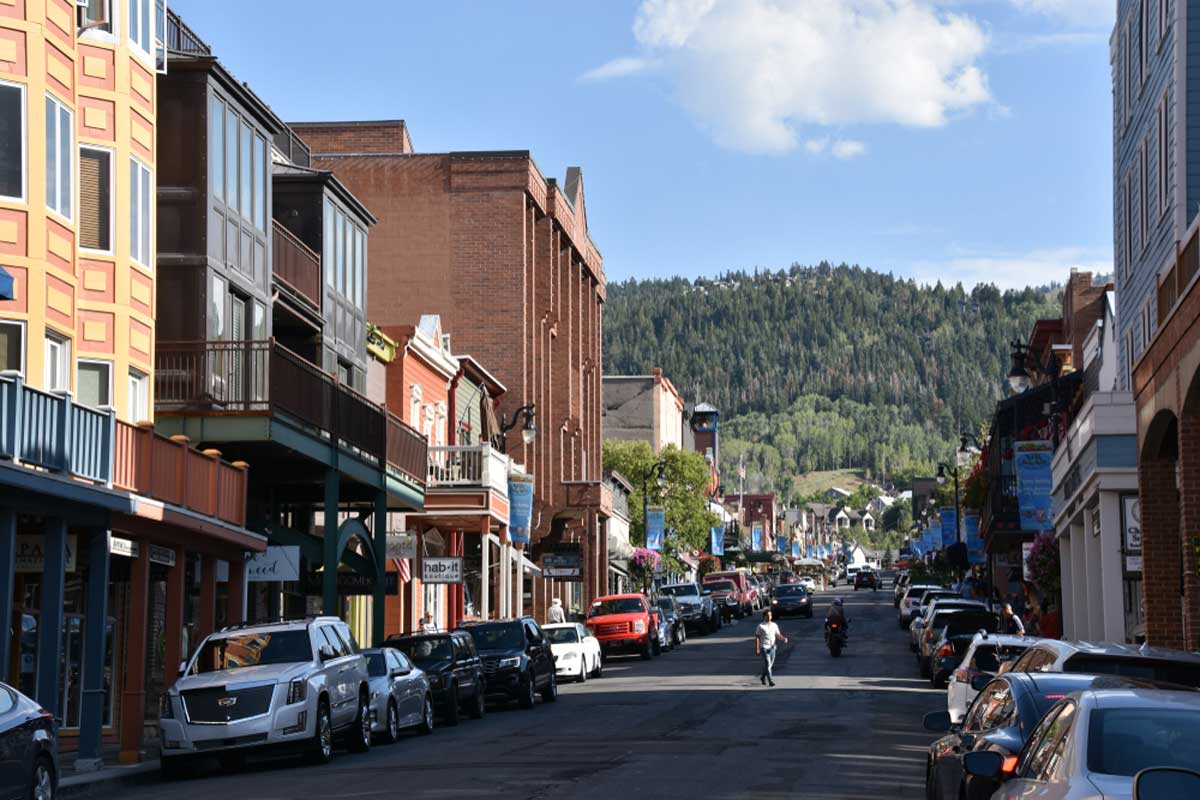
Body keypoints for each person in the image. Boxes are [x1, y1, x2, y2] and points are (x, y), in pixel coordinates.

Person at [755, 609, 786, 686]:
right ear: (764, 616)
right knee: (768, 664)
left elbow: (778, 635)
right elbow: (757, 637)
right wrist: (758, 648)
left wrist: (783, 638)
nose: (769, 617)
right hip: (764, 647)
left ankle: (763, 677)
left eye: (770, 615)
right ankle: (770, 680)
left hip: (772, 648)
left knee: (770, 665)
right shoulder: (760, 626)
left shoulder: (774, 625)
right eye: (767, 615)